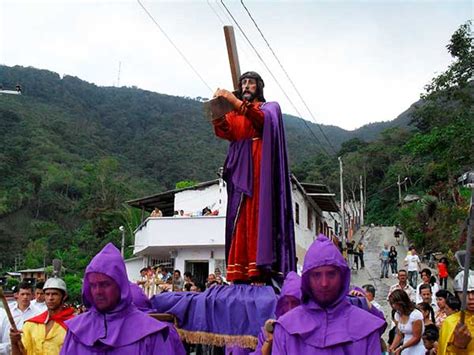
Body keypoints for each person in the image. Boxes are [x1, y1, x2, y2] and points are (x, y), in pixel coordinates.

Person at [212, 71, 295, 283]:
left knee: (258, 216)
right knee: (238, 218)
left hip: (260, 169)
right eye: (244, 83)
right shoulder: (236, 114)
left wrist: (234, 101)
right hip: (238, 167)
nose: (247, 86)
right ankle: (240, 272)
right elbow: (225, 131)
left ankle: (260, 270)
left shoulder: (269, 108)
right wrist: (218, 111)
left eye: (251, 83)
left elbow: (262, 122)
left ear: (259, 87)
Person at [60, 243, 185, 354]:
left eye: (105, 284)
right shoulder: (77, 331)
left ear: (120, 286)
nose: (98, 292)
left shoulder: (151, 334)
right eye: (93, 285)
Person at [271, 234, 385, 354]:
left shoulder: (367, 327)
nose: (324, 283)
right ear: (307, 280)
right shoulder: (285, 328)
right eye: (317, 275)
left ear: (342, 277)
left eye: (331, 274)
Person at [10, 276, 74, 355]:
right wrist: (14, 343)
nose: (50, 298)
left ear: (64, 297)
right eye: (47, 294)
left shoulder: (74, 326)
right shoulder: (31, 324)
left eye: (55, 294)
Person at [437, 269, 473, 354]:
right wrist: (458, 347)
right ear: (457, 295)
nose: (471, 297)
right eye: (465, 293)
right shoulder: (450, 322)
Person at [388, 289, 425, 354]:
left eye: (394, 303)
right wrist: (392, 347)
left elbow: (416, 337)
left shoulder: (415, 315)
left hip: (417, 348)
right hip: (405, 347)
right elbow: (399, 334)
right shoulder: (397, 314)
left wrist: (401, 347)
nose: (393, 306)